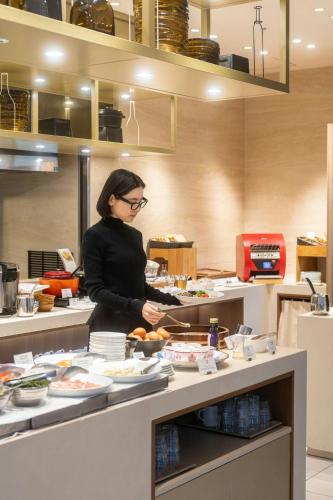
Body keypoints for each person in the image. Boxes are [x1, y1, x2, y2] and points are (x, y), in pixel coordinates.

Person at [82, 168, 181, 334]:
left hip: (140, 323)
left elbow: (138, 286)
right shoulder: (94, 235)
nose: (137, 208)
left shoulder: (135, 235)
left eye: (140, 202)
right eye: (132, 201)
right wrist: (137, 305)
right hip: (109, 326)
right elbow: (95, 292)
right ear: (112, 199)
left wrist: (176, 299)